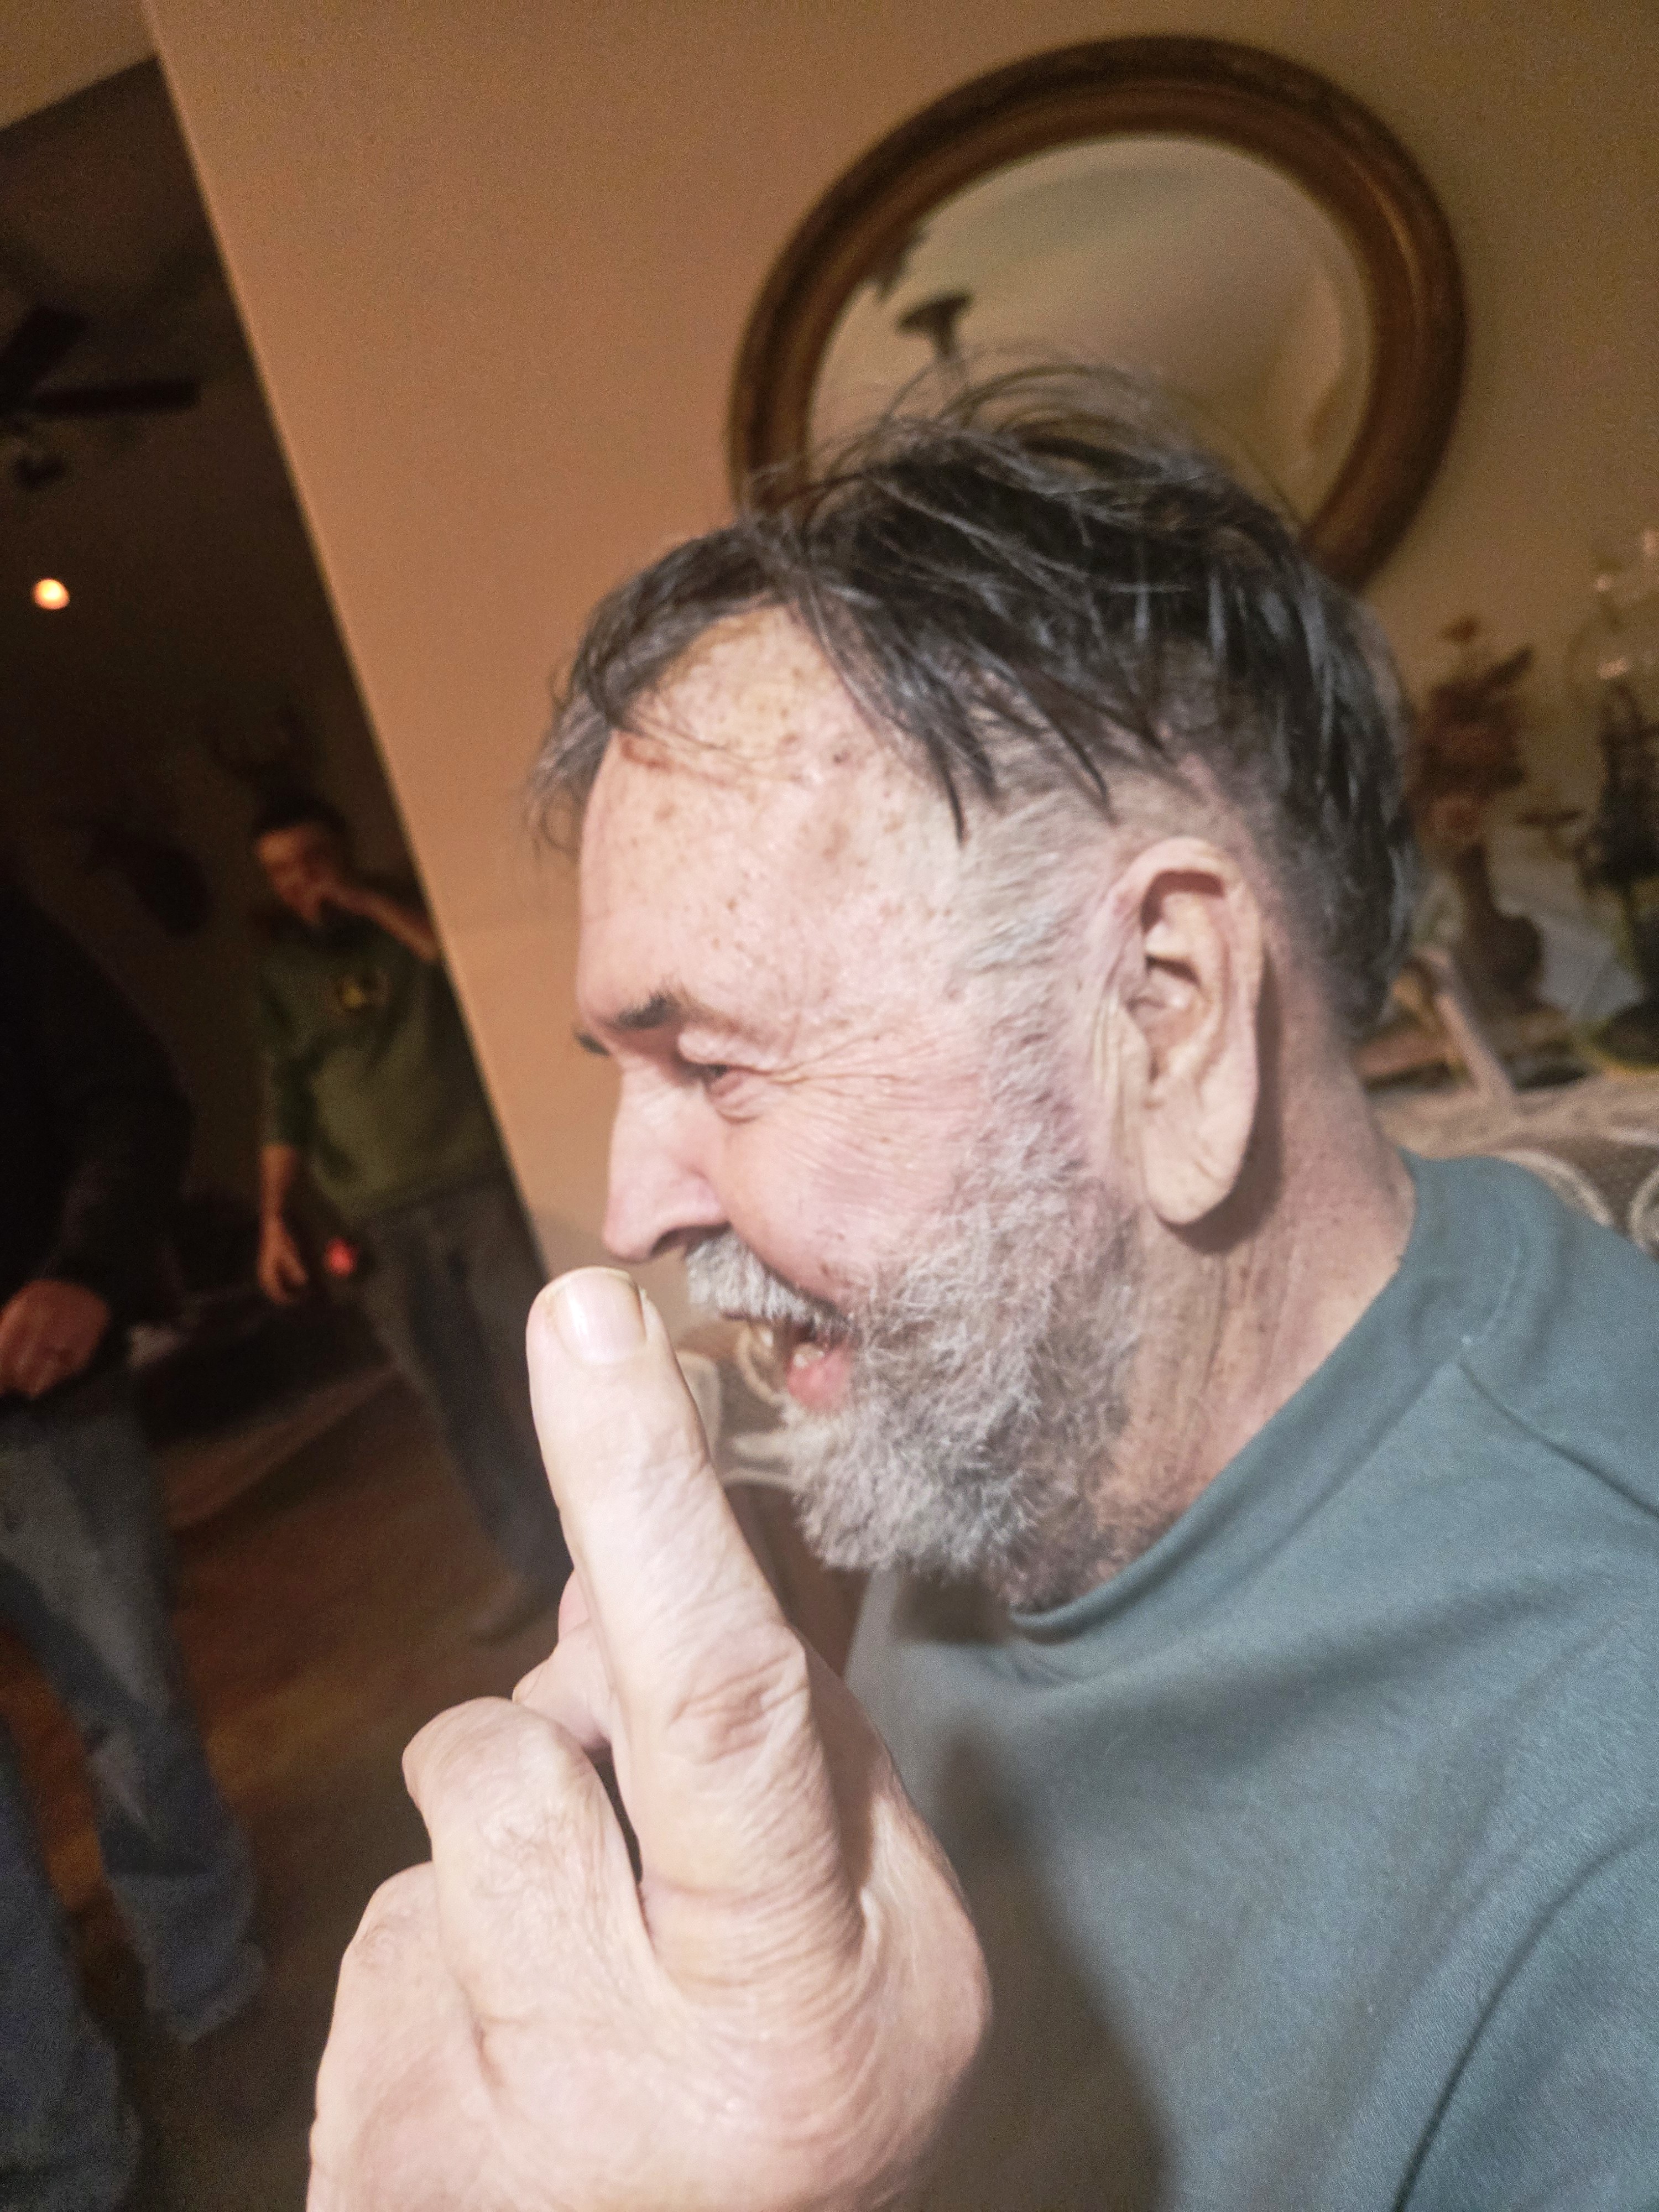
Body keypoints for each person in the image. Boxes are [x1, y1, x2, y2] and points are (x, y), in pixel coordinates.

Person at [306, 382, 1659, 2210]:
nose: (629, 1209)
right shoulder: (1023, 1378)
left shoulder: (1616, 1805)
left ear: (1163, 1012)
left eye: (715, 1062)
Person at [0, 889, 266, 2212]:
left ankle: (211, 1989)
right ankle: (57, 2147)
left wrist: (85, 1267)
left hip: (44, 1404)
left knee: (137, 1716)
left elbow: (136, 1100)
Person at [249, 792, 569, 1640]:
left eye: (313, 860)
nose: (301, 882)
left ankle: (609, 1543)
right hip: (375, 1220)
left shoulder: (411, 922)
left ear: (346, 851)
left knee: (548, 1368)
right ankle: (533, 1561)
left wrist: (370, 904)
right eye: (280, 873)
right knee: (452, 1396)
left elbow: (468, 976)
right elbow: (284, 1101)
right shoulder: (278, 977)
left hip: (476, 1184)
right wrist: (274, 1219)